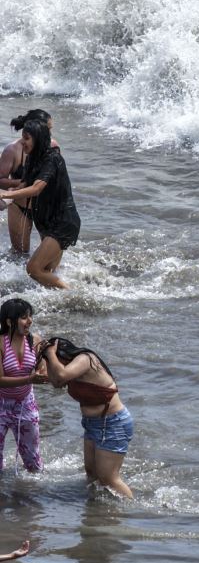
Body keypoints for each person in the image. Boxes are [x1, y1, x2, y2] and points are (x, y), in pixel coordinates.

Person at [42, 336, 132, 498]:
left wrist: (51, 354)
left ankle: (131, 512)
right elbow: (56, 382)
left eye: (55, 358)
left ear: (63, 354)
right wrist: (48, 358)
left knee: (109, 479)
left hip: (113, 423)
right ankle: (94, 512)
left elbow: (60, 376)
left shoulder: (85, 359)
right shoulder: (68, 369)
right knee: (91, 474)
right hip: (91, 424)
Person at [9, 119, 79, 288]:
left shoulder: (53, 159)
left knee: (33, 269)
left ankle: (74, 294)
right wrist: (7, 198)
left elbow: (36, 188)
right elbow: (23, 186)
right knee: (47, 273)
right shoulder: (33, 158)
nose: (22, 142)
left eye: (26, 138)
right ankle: (66, 304)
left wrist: (4, 193)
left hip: (62, 223)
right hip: (47, 222)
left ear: (38, 139)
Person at [0, 298, 43, 477]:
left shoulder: (35, 341)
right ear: (10, 322)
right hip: (1, 404)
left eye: (30, 316)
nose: (30, 321)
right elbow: (0, 380)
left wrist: (43, 373)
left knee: (34, 464)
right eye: (24, 317)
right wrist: (29, 379)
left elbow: (42, 368)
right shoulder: (0, 343)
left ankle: (31, 500)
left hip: (26, 404)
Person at [2, 108, 53, 254]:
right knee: (19, 254)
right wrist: (20, 183)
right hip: (20, 207)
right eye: (48, 130)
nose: (50, 135)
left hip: (45, 208)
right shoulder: (12, 150)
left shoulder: (53, 148)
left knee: (48, 258)